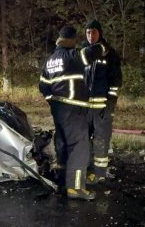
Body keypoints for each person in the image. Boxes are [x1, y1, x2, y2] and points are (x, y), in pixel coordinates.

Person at [39, 26, 106, 200]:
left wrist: (52, 101)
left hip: (58, 109)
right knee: (79, 147)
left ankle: (62, 178)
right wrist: (102, 45)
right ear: (71, 40)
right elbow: (94, 52)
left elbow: (43, 86)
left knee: (63, 143)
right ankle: (75, 188)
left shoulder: (50, 60)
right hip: (73, 109)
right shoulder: (73, 56)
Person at [82, 20, 122, 184]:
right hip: (84, 108)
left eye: (94, 32)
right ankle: (86, 170)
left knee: (101, 140)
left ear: (100, 33)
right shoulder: (84, 53)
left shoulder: (109, 53)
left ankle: (100, 174)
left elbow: (116, 82)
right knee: (83, 139)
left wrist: (110, 105)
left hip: (102, 108)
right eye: (88, 32)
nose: (91, 36)